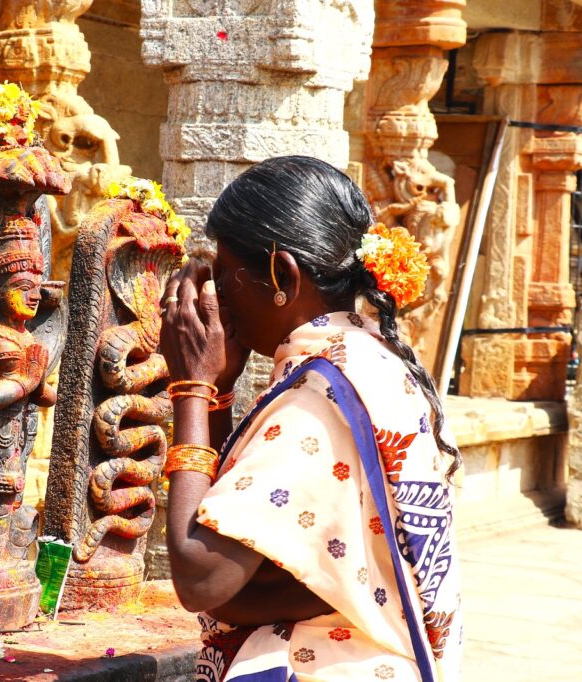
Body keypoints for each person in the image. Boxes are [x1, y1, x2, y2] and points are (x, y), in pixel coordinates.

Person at [159, 156, 462, 682]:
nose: (220, 300)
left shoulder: (316, 399)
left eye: (225, 277)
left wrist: (192, 385)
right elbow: (294, 576)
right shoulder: (376, 360)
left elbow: (201, 576)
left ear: (282, 276)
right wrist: (222, 392)